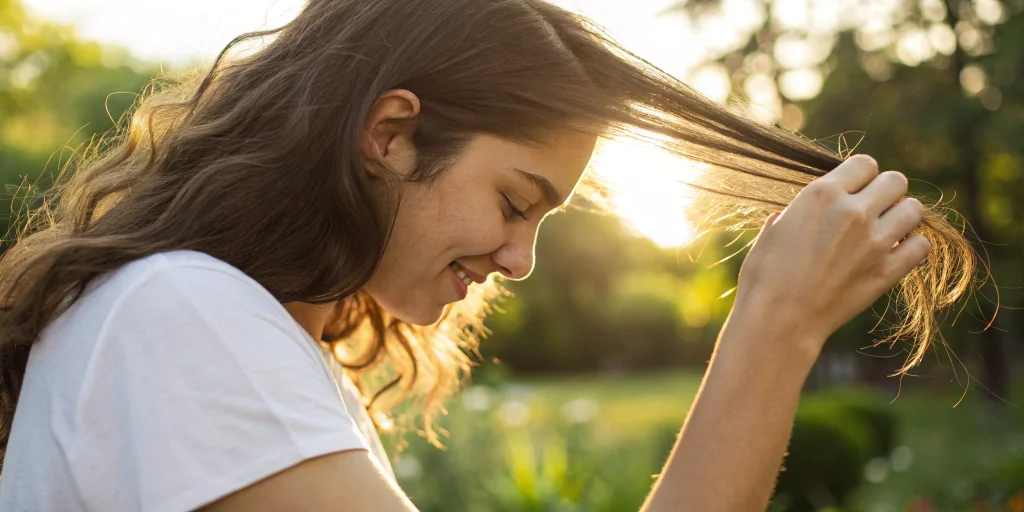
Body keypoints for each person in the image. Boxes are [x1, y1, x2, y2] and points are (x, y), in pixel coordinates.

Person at [0, 0, 977, 510]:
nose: (520, 260)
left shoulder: (230, 330)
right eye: (516, 201)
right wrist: (774, 321)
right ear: (389, 133)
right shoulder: (185, 314)